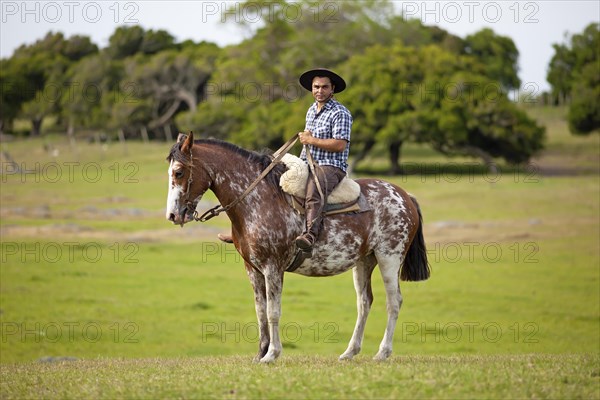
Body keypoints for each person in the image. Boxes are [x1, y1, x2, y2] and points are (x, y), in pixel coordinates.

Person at [294, 68, 353, 254]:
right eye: (316, 87)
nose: (320, 91)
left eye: (324, 87)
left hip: (331, 165)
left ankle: (311, 234)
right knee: (275, 179)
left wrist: (311, 140)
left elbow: (339, 145)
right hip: (307, 161)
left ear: (332, 89)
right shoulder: (311, 110)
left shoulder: (340, 113)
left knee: (314, 190)